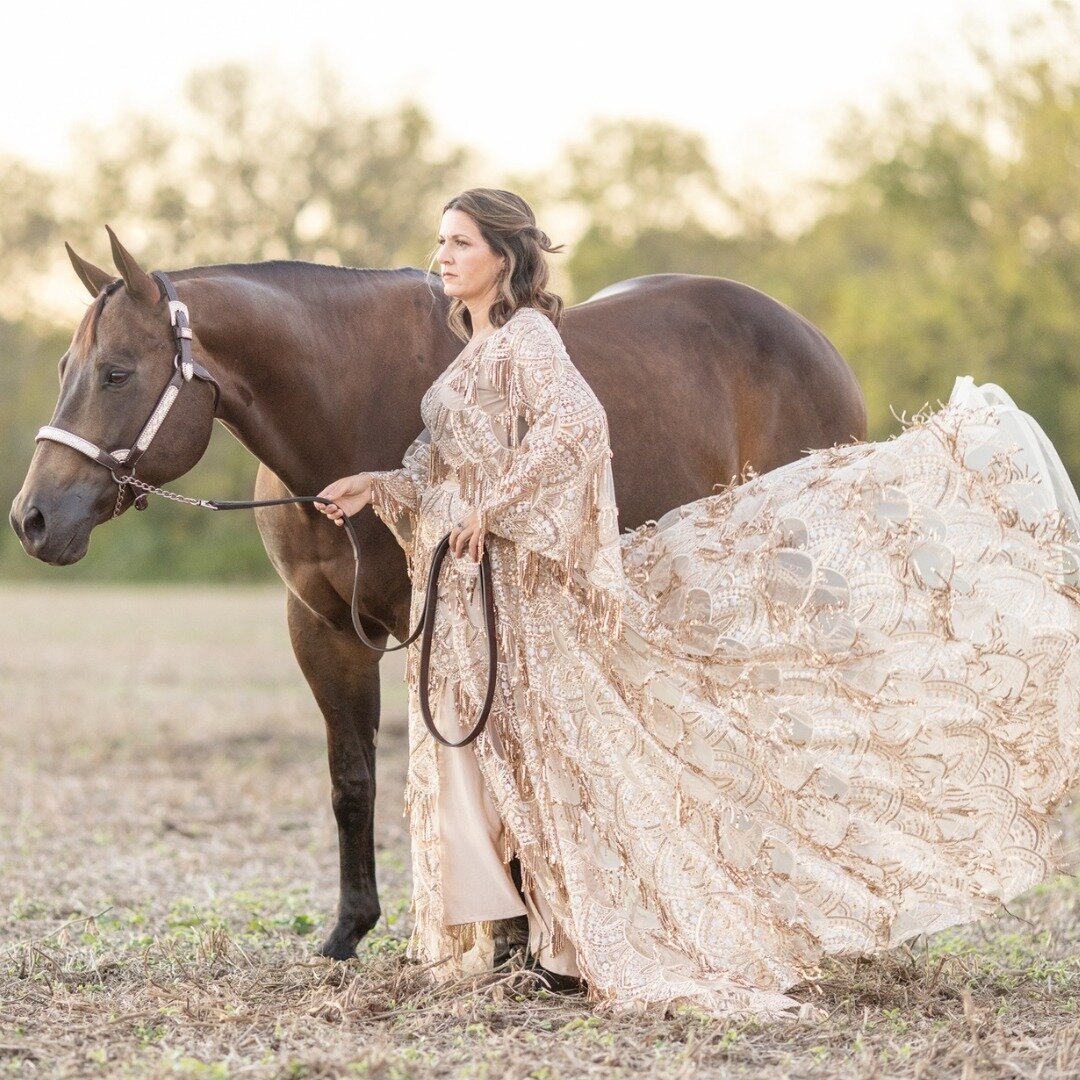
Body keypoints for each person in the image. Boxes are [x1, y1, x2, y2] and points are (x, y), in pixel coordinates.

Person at [316, 187, 1080, 1021]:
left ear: (503, 256)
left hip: (520, 600)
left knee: (544, 757)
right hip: (467, 599)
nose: (443, 257)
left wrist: (493, 510)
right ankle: (516, 933)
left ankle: (566, 948)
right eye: (440, 242)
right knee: (480, 758)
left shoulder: (531, 338)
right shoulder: (474, 350)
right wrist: (379, 485)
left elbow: (575, 428)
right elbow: (444, 467)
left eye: (460, 243)